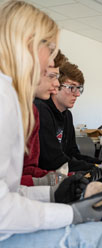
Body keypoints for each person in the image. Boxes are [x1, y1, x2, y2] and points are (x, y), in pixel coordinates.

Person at [0, 2, 102, 248]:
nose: (52, 67)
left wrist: (50, 194)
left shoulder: (11, 97)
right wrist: (71, 212)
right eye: (52, 54)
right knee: (99, 241)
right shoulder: (6, 100)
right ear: (29, 46)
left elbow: (6, 193)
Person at [35, 61, 102, 178]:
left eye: (79, 88)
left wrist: (100, 163)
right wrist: (93, 167)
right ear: (57, 86)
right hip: (41, 179)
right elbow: (53, 161)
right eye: (71, 87)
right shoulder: (41, 110)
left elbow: (73, 153)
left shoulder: (67, 115)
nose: (77, 94)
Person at [21, 50, 67, 186]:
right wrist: (44, 183)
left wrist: (67, 178)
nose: (57, 84)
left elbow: (27, 169)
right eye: (52, 76)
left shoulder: (32, 111)